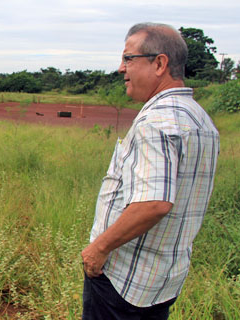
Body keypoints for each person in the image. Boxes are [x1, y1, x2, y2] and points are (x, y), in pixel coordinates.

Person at [80, 22, 219, 319]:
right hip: (161, 280)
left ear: (159, 63)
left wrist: (98, 249)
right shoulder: (200, 119)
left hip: (123, 282)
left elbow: (154, 203)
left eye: (128, 58)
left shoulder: (155, 122)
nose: (121, 68)